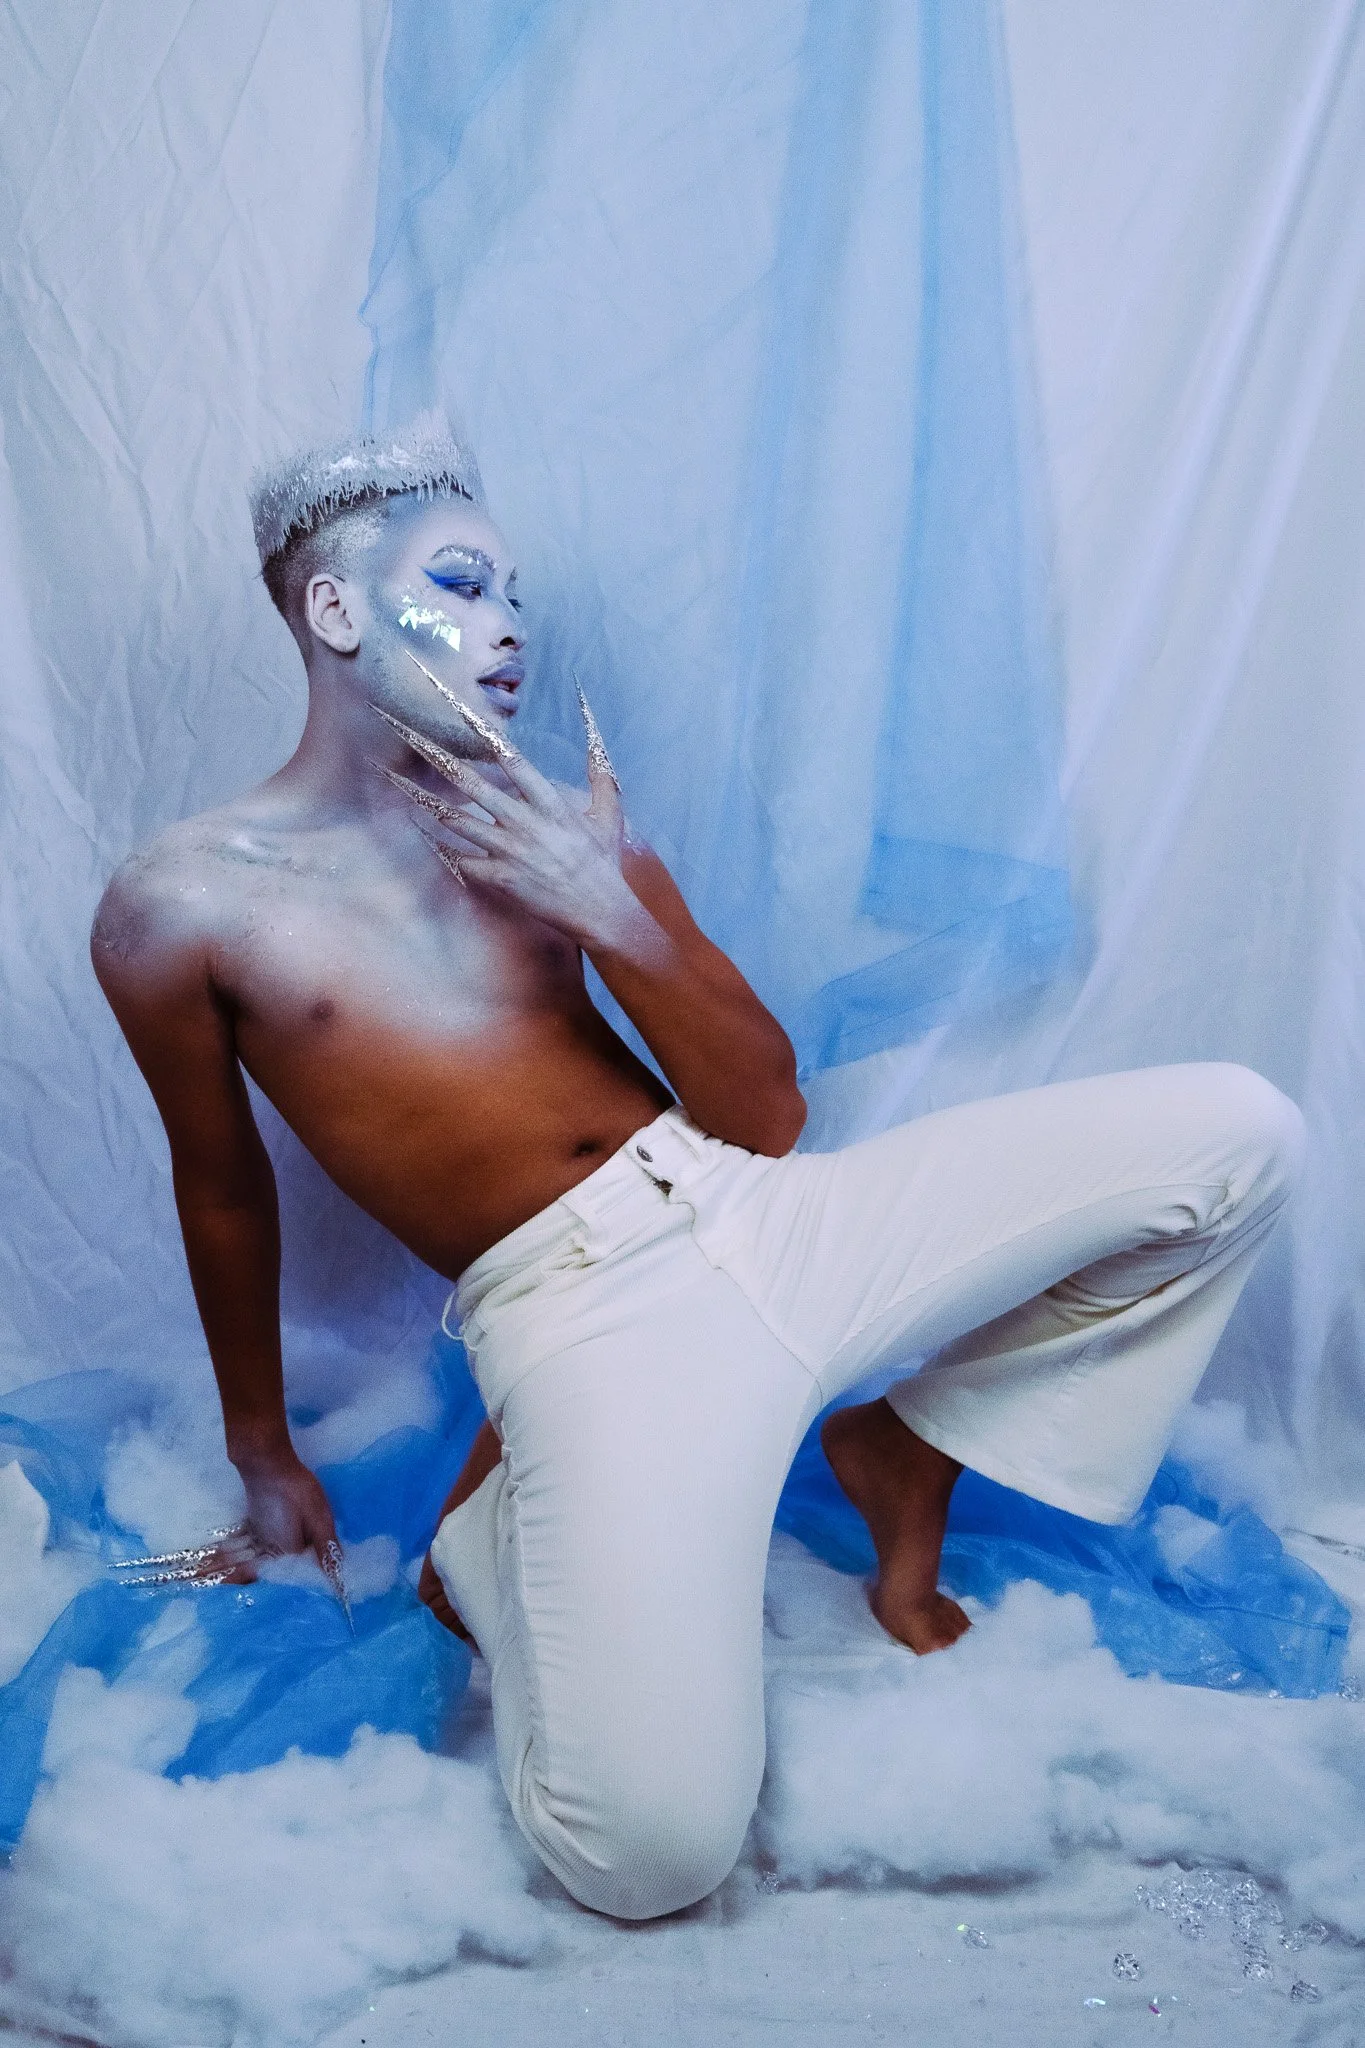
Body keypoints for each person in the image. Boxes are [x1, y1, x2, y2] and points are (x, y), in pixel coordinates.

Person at [92, 414, 1304, 1921]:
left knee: (1243, 1134)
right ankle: (491, 1538)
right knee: (645, 1859)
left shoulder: (559, 826)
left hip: (766, 1213)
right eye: (463, 587)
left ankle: (903, 1450)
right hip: (587, 1321)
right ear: (337, 613)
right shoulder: (179, 905)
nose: (509, 629)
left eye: (517, 597)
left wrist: (617, 909)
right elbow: (221, 1187)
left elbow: (768, 1114)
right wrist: (265, 1450)